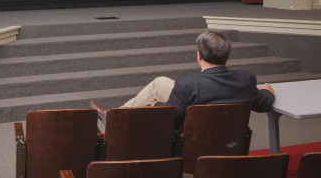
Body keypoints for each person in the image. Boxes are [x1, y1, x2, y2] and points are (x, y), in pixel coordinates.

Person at [90, 30, 276, 130]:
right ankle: (116, 114)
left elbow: (171, 118)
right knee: (159, 82)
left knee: (158, 100)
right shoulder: (246, 80)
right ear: (226, 56)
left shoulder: (187, 85)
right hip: (231, 139)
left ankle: (116, 118)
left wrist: (156, 106)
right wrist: (267, 90)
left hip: (194, 139)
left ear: (199, 56)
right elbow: (264, 104)